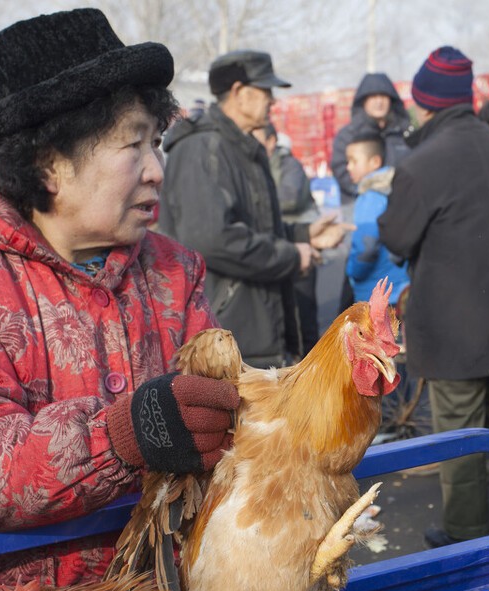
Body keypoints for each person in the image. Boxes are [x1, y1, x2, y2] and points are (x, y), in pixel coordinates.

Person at [0, 8, 239, 591]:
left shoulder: (172, 272)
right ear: (49, 164)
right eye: (133, 145)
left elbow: (215, 415)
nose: (156, 169)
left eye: (156, 142)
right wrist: (122, 435)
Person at [379, 46, 489, 549]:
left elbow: (396, 237)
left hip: (454, 333)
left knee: (462, 440)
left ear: (426, 102)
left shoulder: (422, 165)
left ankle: (467, 536)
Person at [159, 50, 347, 368]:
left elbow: (254, 227)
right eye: (265, 90)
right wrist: (291, 256)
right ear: (239, 92)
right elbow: (213, 239)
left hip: (257, 330)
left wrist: (304, 235)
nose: (272, 100)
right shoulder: (203, 148)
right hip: (223, 337)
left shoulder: (244, 148)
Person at [252, 123, 321, 358]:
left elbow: (290, 198)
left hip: (299, 242)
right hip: (275, 246)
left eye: (256, 137)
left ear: (271, 141)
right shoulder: (255, 166)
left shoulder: (289, 165)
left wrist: (255, 204)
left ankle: (312, 367)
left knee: (304, 315)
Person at [343, 131, 409, 303]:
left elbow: (366, 247)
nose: (348, 167)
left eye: (353, 161)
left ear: (375, 162)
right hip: (400, 285)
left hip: (375, 291)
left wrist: (352, 271)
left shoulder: (370, 197)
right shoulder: (394, 190)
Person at [330, 73, 412, 200]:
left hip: (401, 202)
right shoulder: (348, 136)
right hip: (358, 201)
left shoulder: (405, 133)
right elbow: (341, 171)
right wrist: (370, 194)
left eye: (383, 96)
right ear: (364, 101)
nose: (379, 102)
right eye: (373, 96)